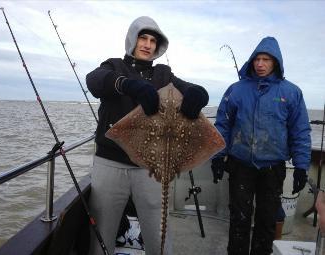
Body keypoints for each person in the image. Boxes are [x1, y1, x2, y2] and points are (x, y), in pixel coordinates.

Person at [86, 16, 209, 255]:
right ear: (133, 39)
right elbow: (95, 80)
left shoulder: (164, 75)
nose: (147, 44)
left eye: (153, 40)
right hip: (110, 162)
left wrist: (198, 94)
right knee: (102, 231)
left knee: (159, 233)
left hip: (151, 168)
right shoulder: (113, 67)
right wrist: (127, 85)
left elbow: (190, 89)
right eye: (143, 37)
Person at [211, 36, 311, 255]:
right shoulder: (236, 90)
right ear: (252, 61)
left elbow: (300, 131)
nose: (260, 64)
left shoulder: (291, 92)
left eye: (266, 59)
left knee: (267, 221)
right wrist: (218, 157)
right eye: (257, 59)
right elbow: (222, 126)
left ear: (276, 62)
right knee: (239, 218)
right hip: (240, 166)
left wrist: (302, 167)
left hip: (272, 169)